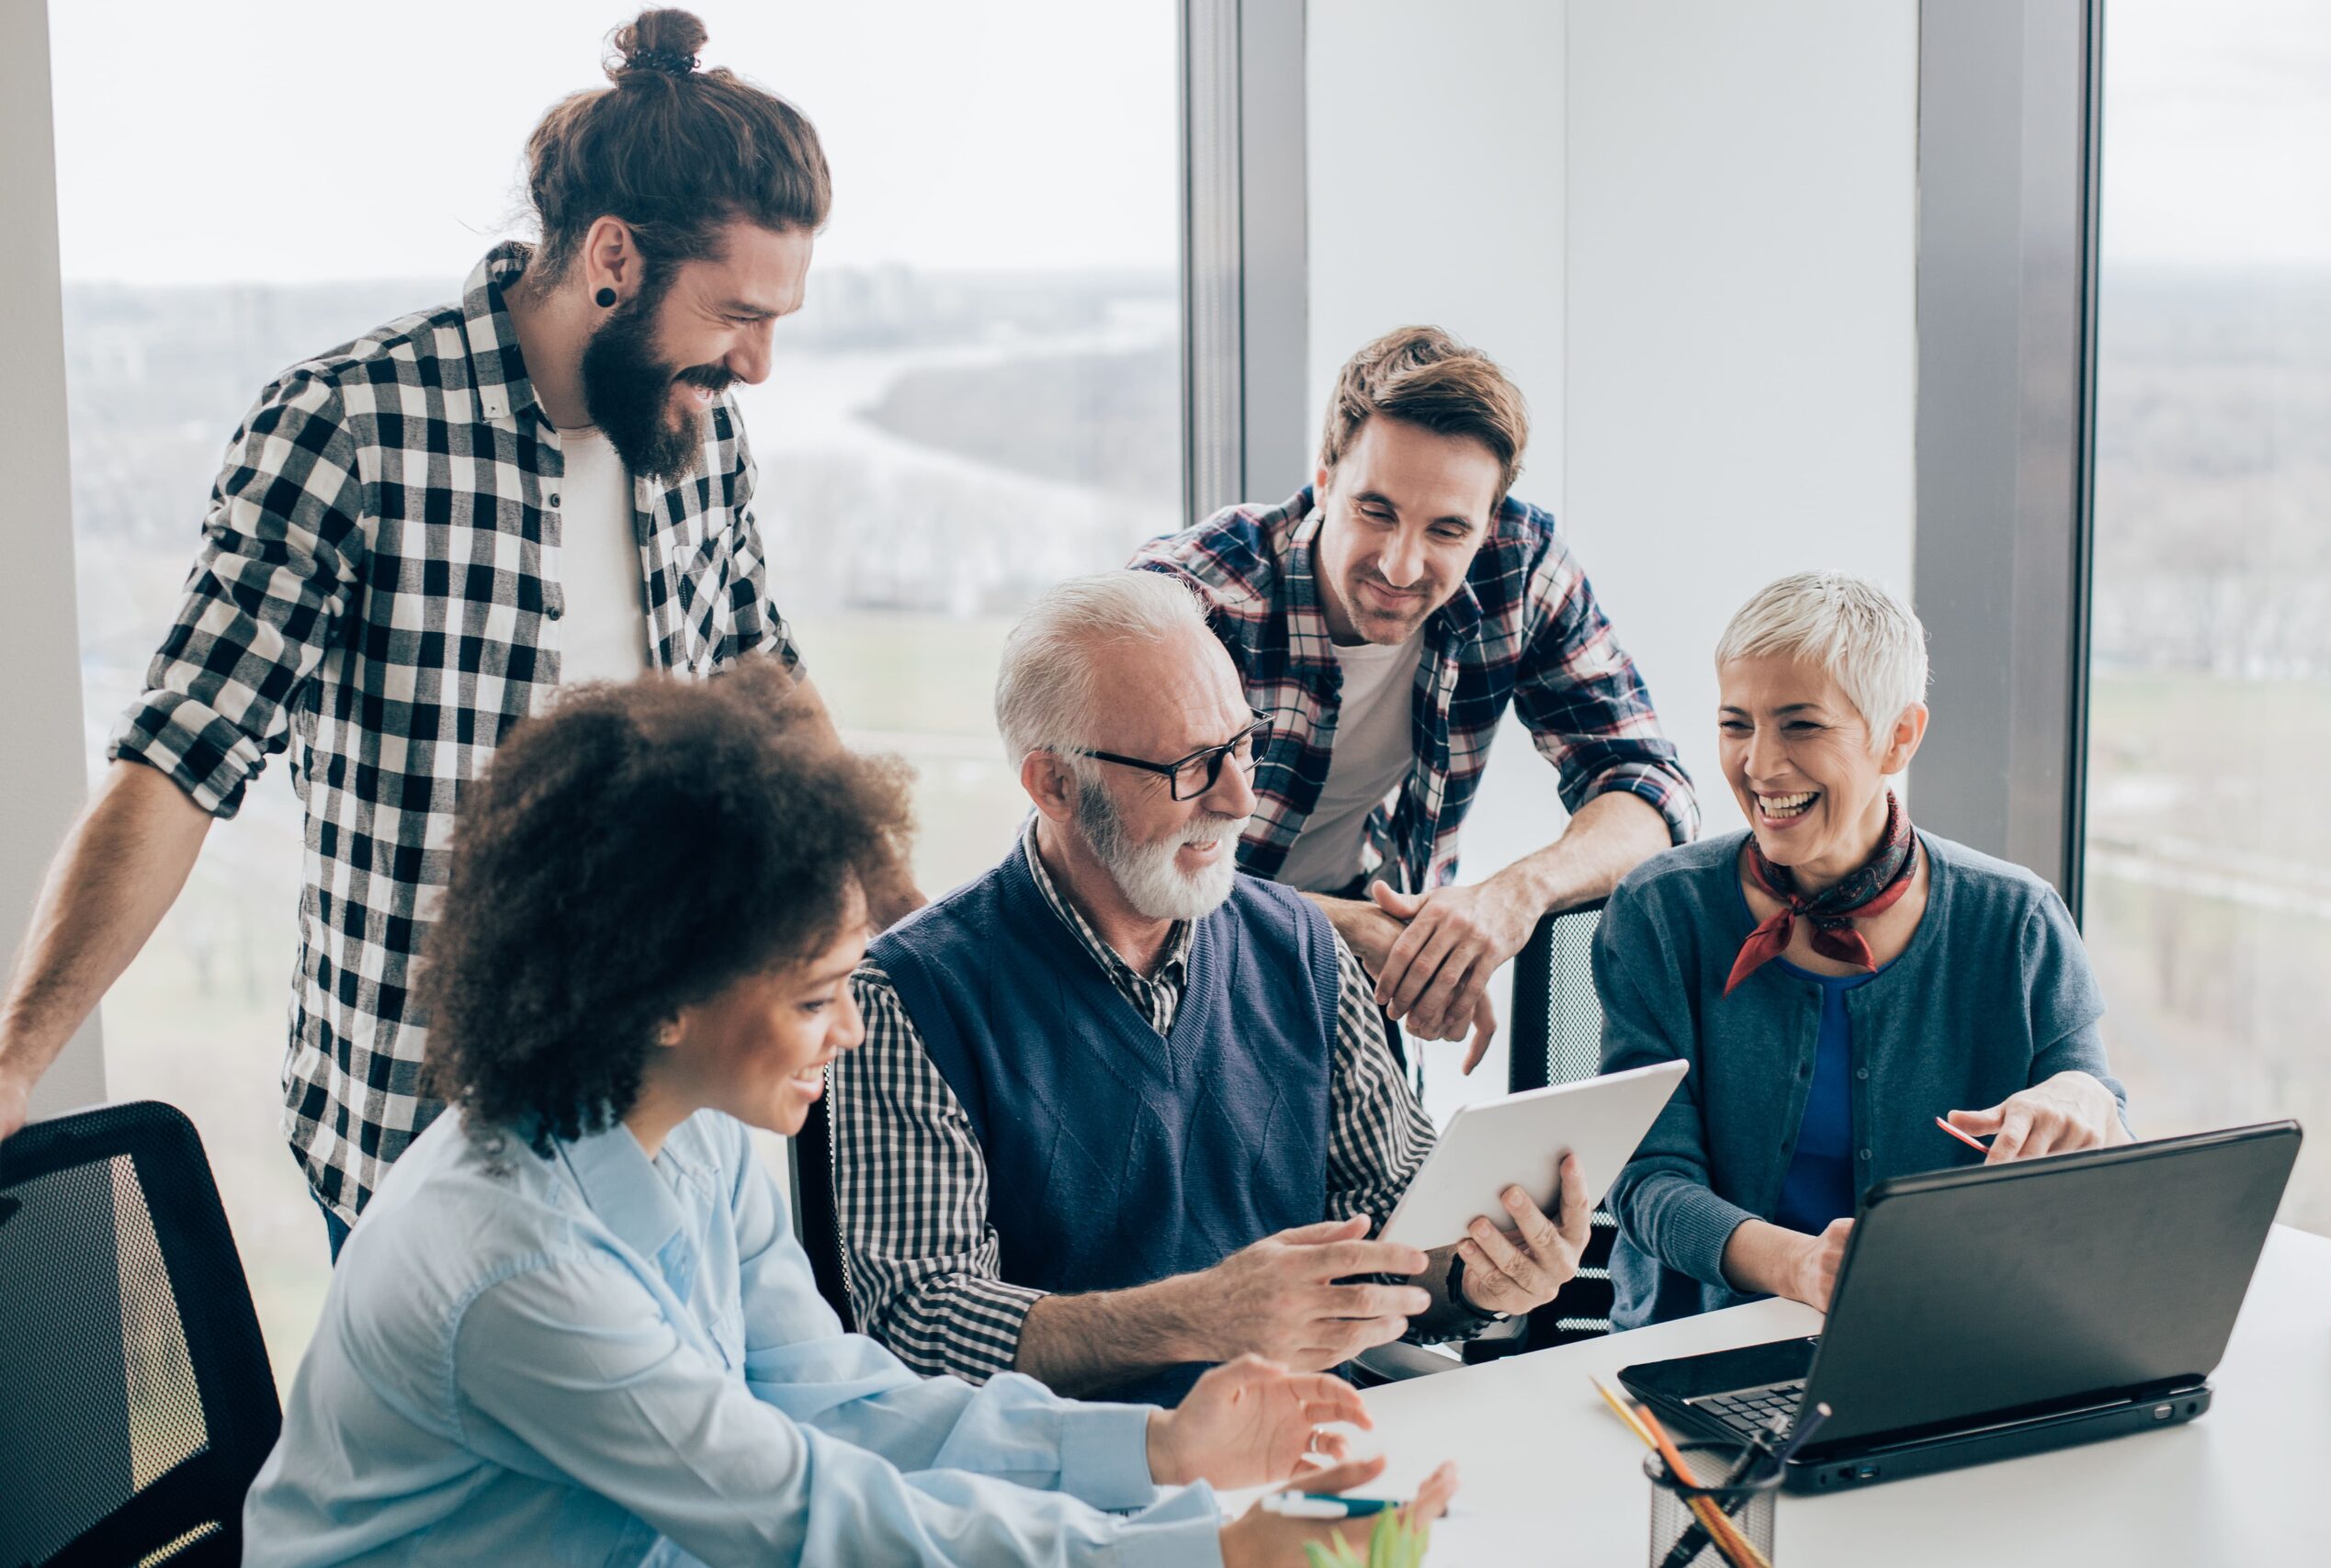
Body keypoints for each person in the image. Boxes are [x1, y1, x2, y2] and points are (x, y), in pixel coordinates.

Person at [0, 10, 918, 1250]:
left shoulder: (693, 427)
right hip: (421, 1125)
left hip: (665, 1124)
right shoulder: (349, 428)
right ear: (611, 257)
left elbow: (766, 679)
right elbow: (179, 762)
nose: (756, 363)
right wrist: (17, 1060)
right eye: (737, 314)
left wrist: (922, 937)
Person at [241, 663, 1456, 1567]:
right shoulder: (514, 1267)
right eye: (820, 994)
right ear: (664, 996)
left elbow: (834, 1395)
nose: (856, 1028)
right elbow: (800, 1512)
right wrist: (1210, 1550)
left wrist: (1160, 1452)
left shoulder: (693, 1122)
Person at [832, 571, 1592, 1406]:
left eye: (1241, 745)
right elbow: (917, 1325)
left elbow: (1396, 1233)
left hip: (1311, 1463)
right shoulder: (907, 995)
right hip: (1071, 1502)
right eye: (1192, 767)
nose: (1239, 799)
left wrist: (1486, 1273)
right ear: (1054, 784)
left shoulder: (1301, 946)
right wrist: (1198, 1317)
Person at [1131, 325, 1698, 1072]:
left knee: (1415, 1185)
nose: (1402, 565)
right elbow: (1125, 864)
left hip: (1359, 945)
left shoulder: (1519, 570)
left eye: (1447, 529)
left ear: (1490, 523)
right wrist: (1342, 928)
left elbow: (1649, 788)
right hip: (1159, 968)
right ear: (1325, 480)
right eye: (1376, 511)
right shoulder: (1189, 598)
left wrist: (1505, 901)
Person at [1597, 571, 2131, 1330]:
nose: (1759, 764)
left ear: (1899, 736)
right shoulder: (1659, 910)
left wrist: (2086, 1099)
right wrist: (1800, 1267)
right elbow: (1648, 1179)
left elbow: (2105, 1150)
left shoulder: (2018, 920)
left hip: (1954, 1337)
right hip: (1703, 1347)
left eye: (1801, 725)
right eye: (1736, 724)